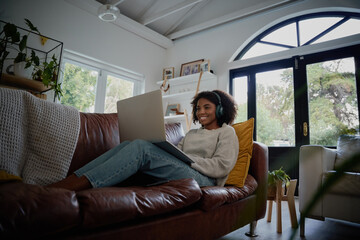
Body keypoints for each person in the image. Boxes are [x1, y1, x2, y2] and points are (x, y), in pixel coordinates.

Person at [48, 90, 239, 191]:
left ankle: (67, 189)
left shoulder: (226, 132)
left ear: (221, 110)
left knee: (141, 147)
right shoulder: (192, 134)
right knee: (128, 144)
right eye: (198, 108)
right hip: (186, 170)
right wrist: (171, 152)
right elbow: (178, 154)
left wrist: (189, 160)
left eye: (207, 107)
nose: (201, 112)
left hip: (205, 181)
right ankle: (70, 180)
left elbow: (221, 166)